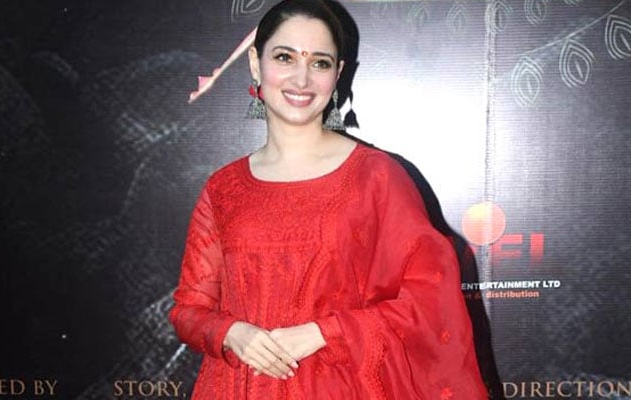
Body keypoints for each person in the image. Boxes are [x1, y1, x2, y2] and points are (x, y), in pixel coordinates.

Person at [169, 0, 488, 398]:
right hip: (237, 386)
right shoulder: (224, 188)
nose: (301, 78)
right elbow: (188, 310)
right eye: (285, 57)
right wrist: (232, 332)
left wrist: (324, 332)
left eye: (319, 63)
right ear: (255, 63)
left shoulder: (378, 178)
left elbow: (430, 302)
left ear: (337, 74)